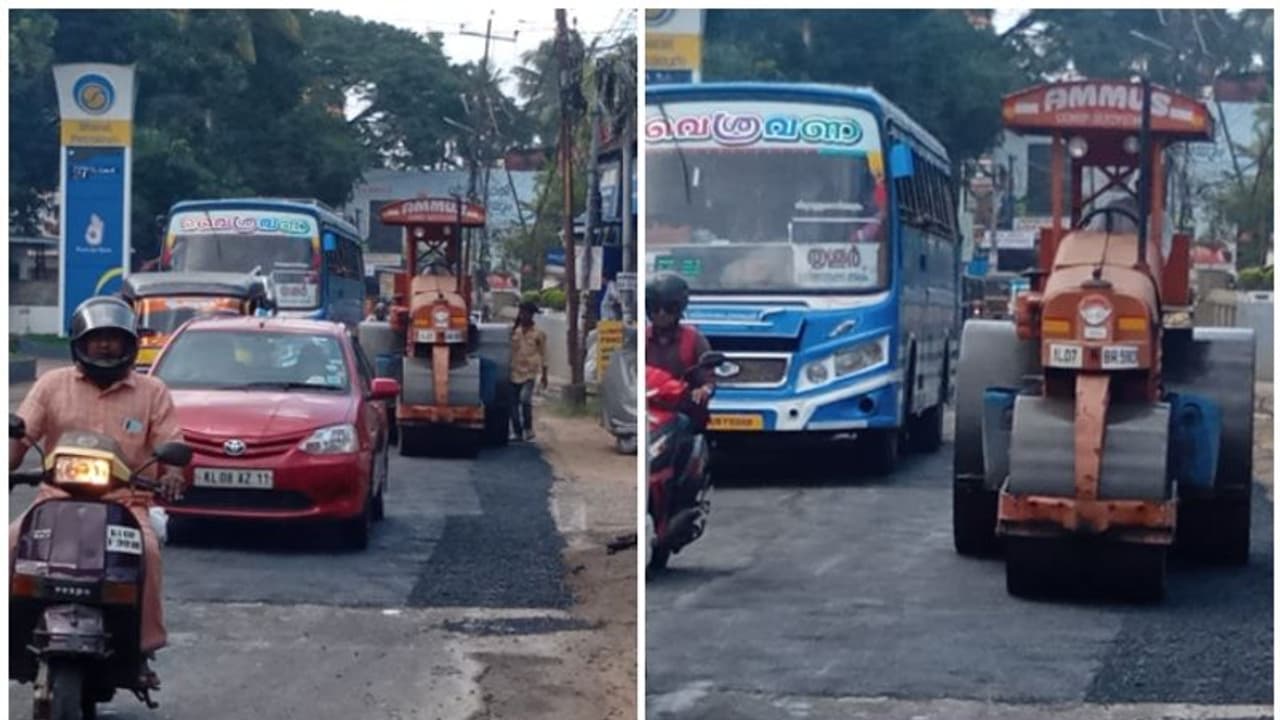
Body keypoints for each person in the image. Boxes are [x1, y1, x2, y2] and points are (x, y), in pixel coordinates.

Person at [9, 296, 186, 690]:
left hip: (124, 503)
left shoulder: (152, 391)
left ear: (129, 345)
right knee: (10, 545)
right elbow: (22, 437)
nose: (105, 346)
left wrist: (173, 473)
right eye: (96, 338)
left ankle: (141, 649)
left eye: (113, 339)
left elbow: (172, 442)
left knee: (149, 553)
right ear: (79, 343)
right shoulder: (52, 384)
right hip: (55, 500)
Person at [645, 272, 715, 427]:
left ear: (679, 308)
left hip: (681, 411)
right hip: (646, 410)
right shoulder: (639, 340)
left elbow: (709, 381)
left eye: (669, 308)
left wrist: (703, 390)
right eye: (655, 307)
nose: (661, 314)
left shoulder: (694, 340)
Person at [509, 301, 548, 441]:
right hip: (514, 371)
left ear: (532, 315)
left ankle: (528, 428)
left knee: (525, 399)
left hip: (529, 373)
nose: (524, 315)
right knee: (513, 403)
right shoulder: (514, 331)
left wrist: (544, 375)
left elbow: (544, 354)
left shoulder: (539, 334)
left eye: (527, 313)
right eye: (522, 312)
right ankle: (517, 431)